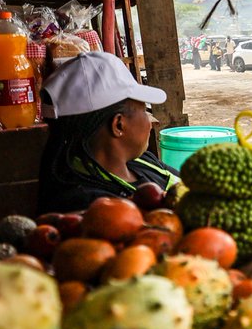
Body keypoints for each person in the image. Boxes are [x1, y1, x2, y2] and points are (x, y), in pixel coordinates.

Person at [37, 52, 180, 213]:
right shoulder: (91, 206)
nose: (151, 124)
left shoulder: (142, 162)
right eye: (145, 111)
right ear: (118, 125)